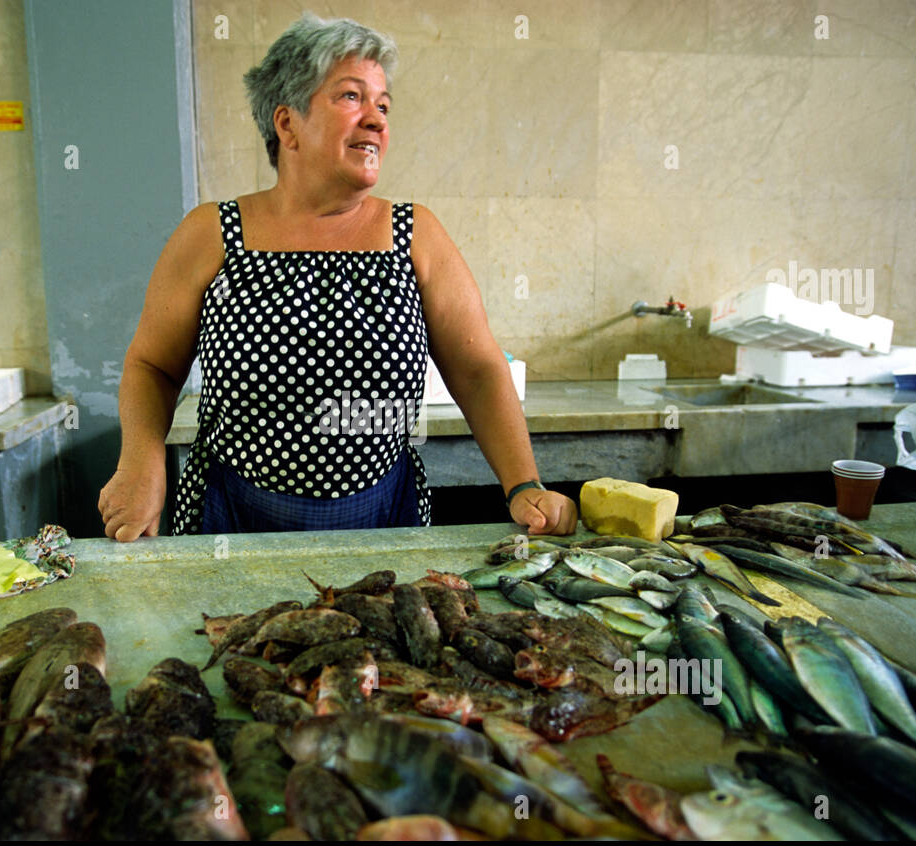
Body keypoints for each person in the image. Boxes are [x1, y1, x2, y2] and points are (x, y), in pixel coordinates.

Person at [98, 12, 577, 541]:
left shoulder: (415, 234)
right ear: (287, 124)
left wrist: (522, 484)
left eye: (383, 105)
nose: (377, 120)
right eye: (351, 97)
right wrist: (140, 462)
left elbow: (479, 368)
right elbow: (152, 365)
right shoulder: (212, 232)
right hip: (232, 520)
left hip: (381, 522)